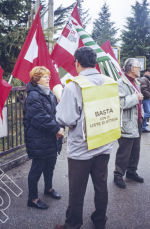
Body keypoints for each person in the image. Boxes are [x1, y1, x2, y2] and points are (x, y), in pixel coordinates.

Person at [55, 47, 115, 229]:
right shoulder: (110, 82)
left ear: (77, 63)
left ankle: (73, 224)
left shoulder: (74, 86)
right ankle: (99, 220)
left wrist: (60, 106)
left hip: (81, 149)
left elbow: (66, 119)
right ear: (94, 62)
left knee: (77, 190)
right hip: (104, 144)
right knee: (101, 186)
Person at [23, 66, 64, 209]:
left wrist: (60, 125)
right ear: (37, 79)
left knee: (50, 166)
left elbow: (54, 114)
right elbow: (41, 118)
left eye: (48, 76)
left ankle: (49, 189)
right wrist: (57, 129)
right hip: (38, 139)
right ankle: (32, 199)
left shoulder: (49, 94)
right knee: (37, 169)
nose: (49, 78)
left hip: (50, 138)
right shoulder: (33, 96)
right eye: (45, 76)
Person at [114, 58, 144, 189]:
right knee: (124, 151)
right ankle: (118, 175)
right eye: (138, 67)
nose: (140, 69)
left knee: (135, 149)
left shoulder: (135, 82)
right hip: (126, 122)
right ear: (131, 68)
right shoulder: (120, 83)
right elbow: (120, 103)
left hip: (137, 121)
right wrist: (135, 97)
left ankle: (131, 172)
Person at [140, 68, 150, 132]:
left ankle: (143, 128)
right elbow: (143, 89)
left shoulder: (146, 79)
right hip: (145, 99)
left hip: (146, 98)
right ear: (146, 72)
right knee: (148, 113)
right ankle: (140, 117)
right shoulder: (144, 79)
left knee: (147, 112)